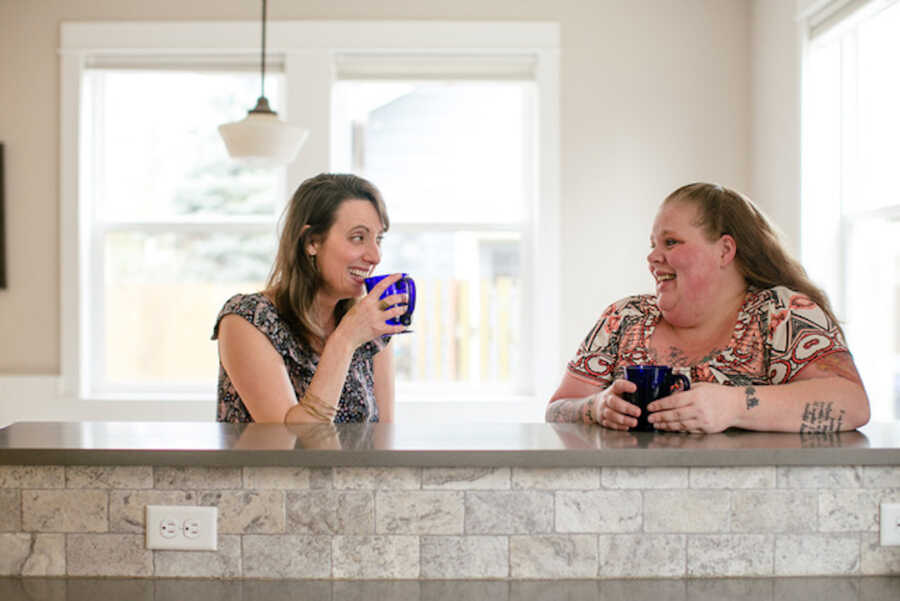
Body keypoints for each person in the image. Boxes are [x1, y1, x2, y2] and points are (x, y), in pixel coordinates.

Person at [546, 183, 870, 433]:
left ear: (725, 250)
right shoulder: (623, 319)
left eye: (671, 242)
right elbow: (558, 408)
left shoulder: (781, 315)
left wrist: (733, 405)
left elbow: (853, 404)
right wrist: (594, 406)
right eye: (653, 244)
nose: (653, 257)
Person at [212, 173, 409, 423]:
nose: (375, 256)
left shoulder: (370, 326)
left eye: (378, 239)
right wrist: (345, 339)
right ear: (312, 242)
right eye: (358, 238)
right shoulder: (247, 320)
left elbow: (383, 438)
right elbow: (292, 445)